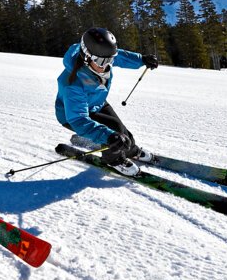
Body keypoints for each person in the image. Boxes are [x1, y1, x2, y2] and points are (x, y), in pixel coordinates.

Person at [55, 27, 159, 177]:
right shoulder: (72, 83)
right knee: (114, 132)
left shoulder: (99, 59)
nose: (107, 64)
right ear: (86, 57)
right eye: (102, 61)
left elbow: (120, 57)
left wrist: (142, 59)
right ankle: (113, 160)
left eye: (110, 59)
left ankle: (131, 149)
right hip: (72, 116)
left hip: (96, 102)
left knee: (122, 131)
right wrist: (109, 137)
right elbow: (78, 119)